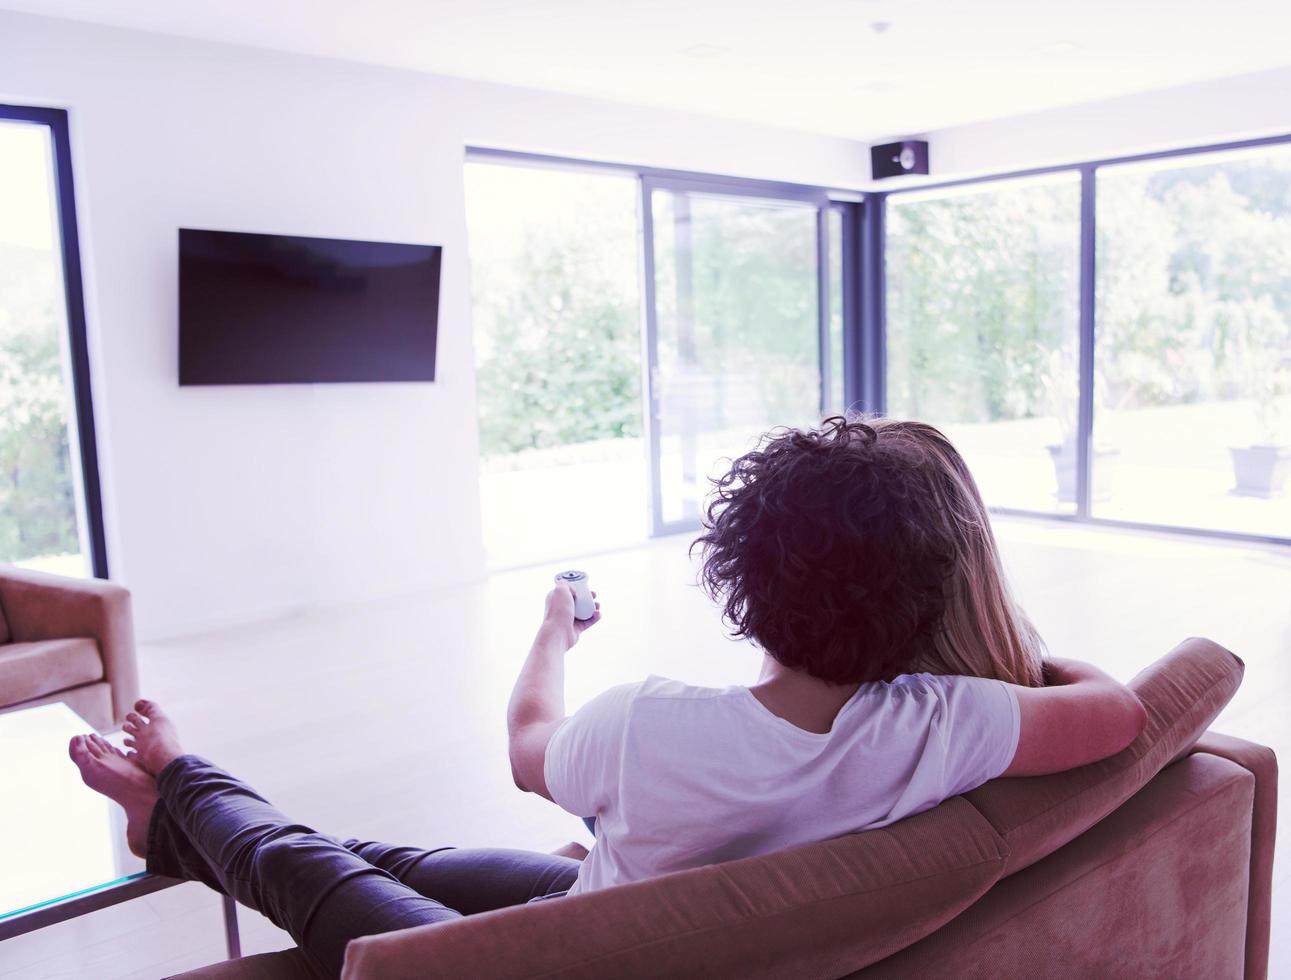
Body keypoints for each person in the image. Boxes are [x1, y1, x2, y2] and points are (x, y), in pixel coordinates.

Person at [70, 416, 1146, 979]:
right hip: (613, 913)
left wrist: (550, 633)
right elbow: (1121, 710)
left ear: (739, 582)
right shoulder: (952, 724)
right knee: (384, 857)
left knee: (300, 864)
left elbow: (527, 744)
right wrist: (999, 647)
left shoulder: (650, 725)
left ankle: (175, 783)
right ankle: (165, 825)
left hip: (551, 962)